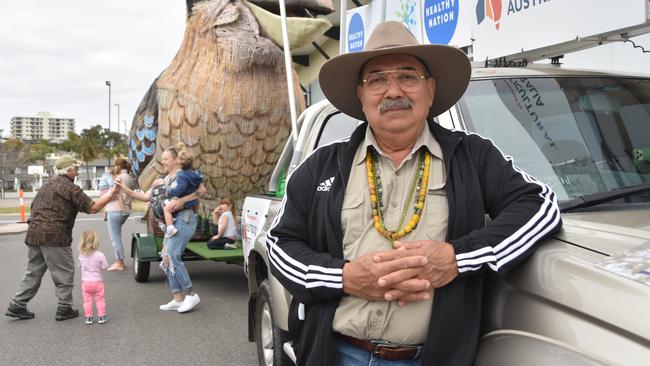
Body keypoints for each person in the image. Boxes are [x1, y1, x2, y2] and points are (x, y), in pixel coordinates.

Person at [266, 21, 562, 366]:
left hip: (436, 357)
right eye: (376, 80)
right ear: (361, 96)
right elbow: (279, 245)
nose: (393, 92)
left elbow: (540, 206)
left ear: (430, 90)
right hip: (339, 353)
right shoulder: (321, 166)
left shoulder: (472, 155)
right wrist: (344, 277)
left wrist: (456, 259)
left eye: (407, 77)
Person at [5, 156, 119, 321]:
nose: (77, 171)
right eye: (75, 168)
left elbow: (34, 206)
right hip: (55, 236)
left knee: (33, 272)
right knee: (64, 271)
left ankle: (17, 304)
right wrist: (112, 193)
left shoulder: (46, 185)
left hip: (34, 234)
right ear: (69, 170)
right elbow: (93, 208)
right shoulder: (70, 188)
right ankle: (64, 307)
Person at [117, 143, 207, 313]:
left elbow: (202, 191)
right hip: (170, 224)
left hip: (183, 219)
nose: (163, 162)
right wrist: (125, 189)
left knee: (172, 256)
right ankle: (178, 298)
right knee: (165, 260)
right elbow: (144, 197)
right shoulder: (163, 180)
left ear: (175, 160)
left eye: (166, 159)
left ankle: (191, 294)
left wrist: (183, 199)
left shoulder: (184, 175)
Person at [105, 157, 136, 272]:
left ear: (118, 166)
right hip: (126, 209)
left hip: (115, 209)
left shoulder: (118, 178)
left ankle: (120, 262)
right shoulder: (129, 177)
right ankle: (119, 261)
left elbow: (113, 194)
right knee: (117, 236)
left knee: (115, 237)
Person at [77, 230, 109, 325]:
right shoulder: (100, 255)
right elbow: (105, 266)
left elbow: (79, 266)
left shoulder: (81, 255)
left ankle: (88, 318)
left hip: (85, 283)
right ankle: (101, 316)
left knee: (87, 301)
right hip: (97, 282)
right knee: (100, 299)